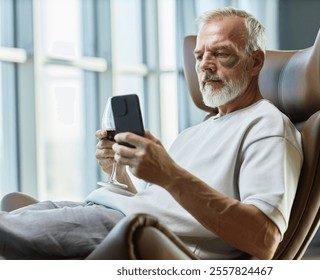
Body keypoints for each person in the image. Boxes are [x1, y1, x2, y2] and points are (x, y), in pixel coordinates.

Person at [0, 7, 303, 260]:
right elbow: (160, 206)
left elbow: (264, 238)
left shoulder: (267, 126)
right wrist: (119, 171)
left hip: (129, 230)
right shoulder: (195, 132)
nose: (205, 66)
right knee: (12, 216)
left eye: (221, 54)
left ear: (255, 61)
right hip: (107, 214)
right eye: (200, 56)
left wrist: (169, 173)